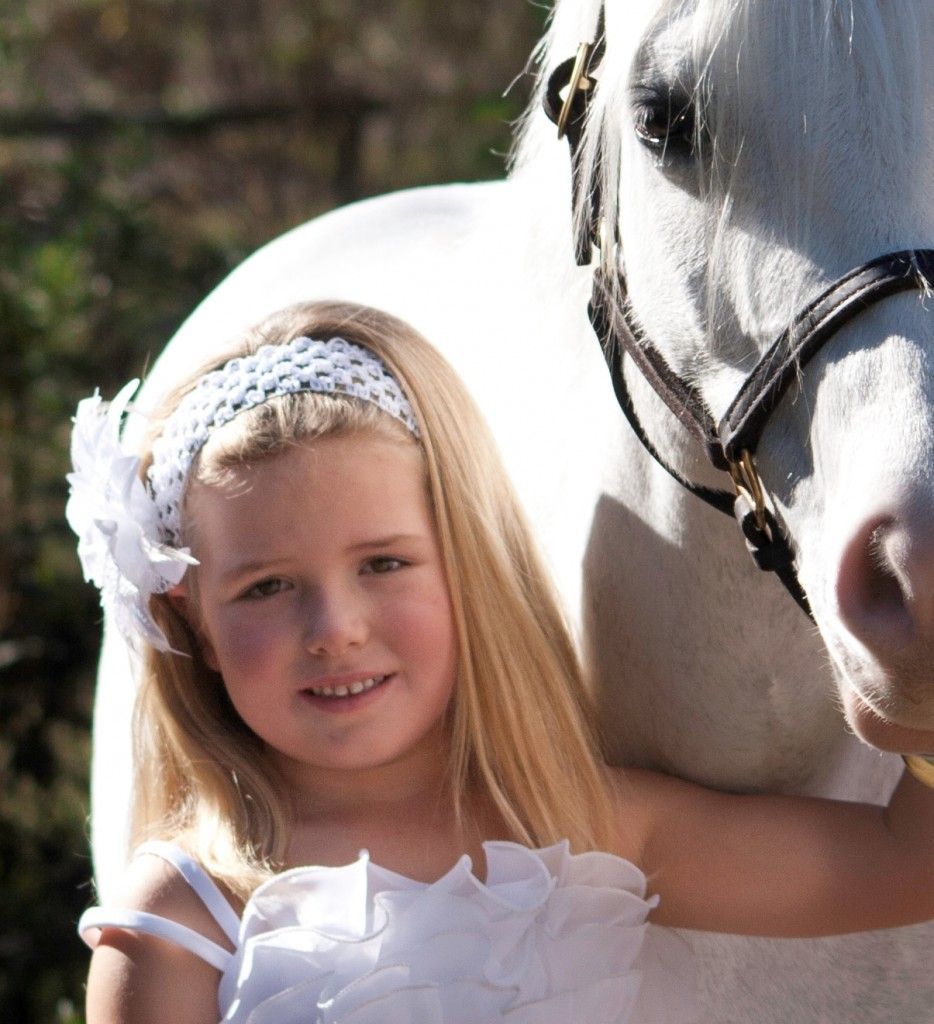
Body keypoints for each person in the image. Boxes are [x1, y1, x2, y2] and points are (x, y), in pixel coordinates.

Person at [67, 300, 934, 1024]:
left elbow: (906, 865)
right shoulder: (182, 921)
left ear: (466, 565)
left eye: (383, 564)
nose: (334, 629)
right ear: (193, 623)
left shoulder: (589, 831)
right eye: (265, 588)